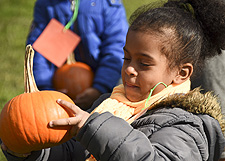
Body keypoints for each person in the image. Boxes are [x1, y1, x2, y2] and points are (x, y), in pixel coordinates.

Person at [2, 0, 225, 160]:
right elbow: (74, 152)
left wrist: (95, 128)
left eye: (143, 63)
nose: (129, 69)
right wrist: (33, 150)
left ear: (182, 73)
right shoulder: (109, 103)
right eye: (126, 57)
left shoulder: (187, 125)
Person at [26, 0, 128, 110]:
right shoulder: (46, 4)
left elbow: (116, 48)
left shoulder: (108, 4)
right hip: (59, 86)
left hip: (106, 84)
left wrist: (100, 88)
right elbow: (39, 51)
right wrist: (47, 89)